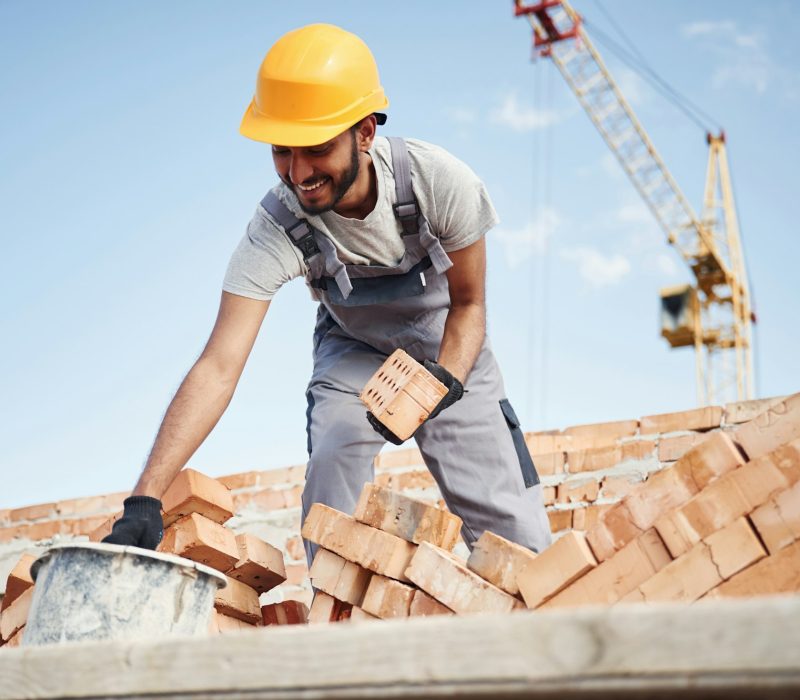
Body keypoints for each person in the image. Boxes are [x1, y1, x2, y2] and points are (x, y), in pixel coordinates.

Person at [103, 23, 552, 561]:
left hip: (449, 347)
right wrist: (145, 497)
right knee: (334, 460)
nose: (298, 173)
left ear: (364, 132)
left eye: (315, 149)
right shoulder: (276, 227)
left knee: (518, 538)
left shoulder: (439, 182)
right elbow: (219, 364)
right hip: (354, 353)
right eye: (281, 151)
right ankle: (338, 618)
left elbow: (470, 305)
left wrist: (444, 382)